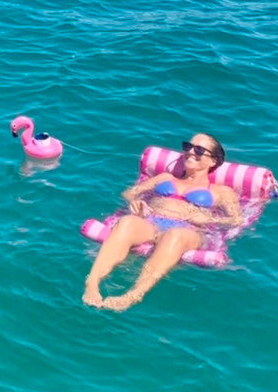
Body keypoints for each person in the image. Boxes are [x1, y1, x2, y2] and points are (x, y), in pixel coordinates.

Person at [82, 133, 242, 312]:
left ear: (213, 161)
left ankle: (133, 295)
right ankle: (92, 282)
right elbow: (130, 192)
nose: (190, 152)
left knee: (175, 235)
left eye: (198, 149)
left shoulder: (221, 192)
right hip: (152, 221)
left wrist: (210, 219)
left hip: (189, 230)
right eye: (187, 146)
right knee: (127, 222)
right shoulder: (165, 178)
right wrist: (135, 202)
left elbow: (236, 220)